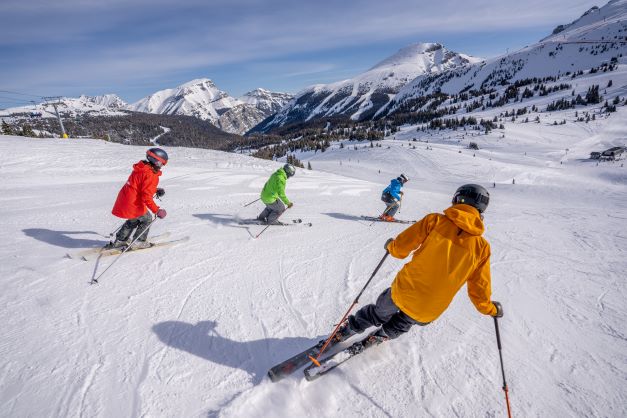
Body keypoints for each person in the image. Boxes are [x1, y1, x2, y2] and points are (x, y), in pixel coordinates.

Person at [336, 184, 503, 349]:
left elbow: (400, 248)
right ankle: (381, 336)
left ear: (457, 199)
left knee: (379, 312)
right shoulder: (482, 248)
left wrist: (391, 246)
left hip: (404, 291)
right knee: (404, 322)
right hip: (430, 308)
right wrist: (491, 309)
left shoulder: (436, 221)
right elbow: (479, 290)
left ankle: (349, 329)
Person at [107, 148, 168, 249]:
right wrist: (157, 210)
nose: (161, 166)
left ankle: (120, 240)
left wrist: (154, 189)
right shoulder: (151, 175)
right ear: (155, 161)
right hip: (134, 203)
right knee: (147, 219)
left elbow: (140, 186)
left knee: (133, 219)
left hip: (126, 199)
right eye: (161, 163)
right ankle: (139, 242)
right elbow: (146, 196)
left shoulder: (141, 168)